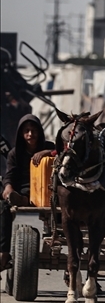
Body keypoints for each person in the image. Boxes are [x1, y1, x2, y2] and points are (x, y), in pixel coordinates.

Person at [1, 115, 56, 270]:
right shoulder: (14, 153)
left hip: (48, 190)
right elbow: (9, 175)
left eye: (33, 130)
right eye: (27, 131)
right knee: (4, 207)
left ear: (39, 132)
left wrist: (47, 152)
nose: (30, 134)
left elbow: (63, 151)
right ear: (21, 133)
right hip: (24, 189)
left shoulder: (50, 146)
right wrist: (8, 187)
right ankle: (3, 252)